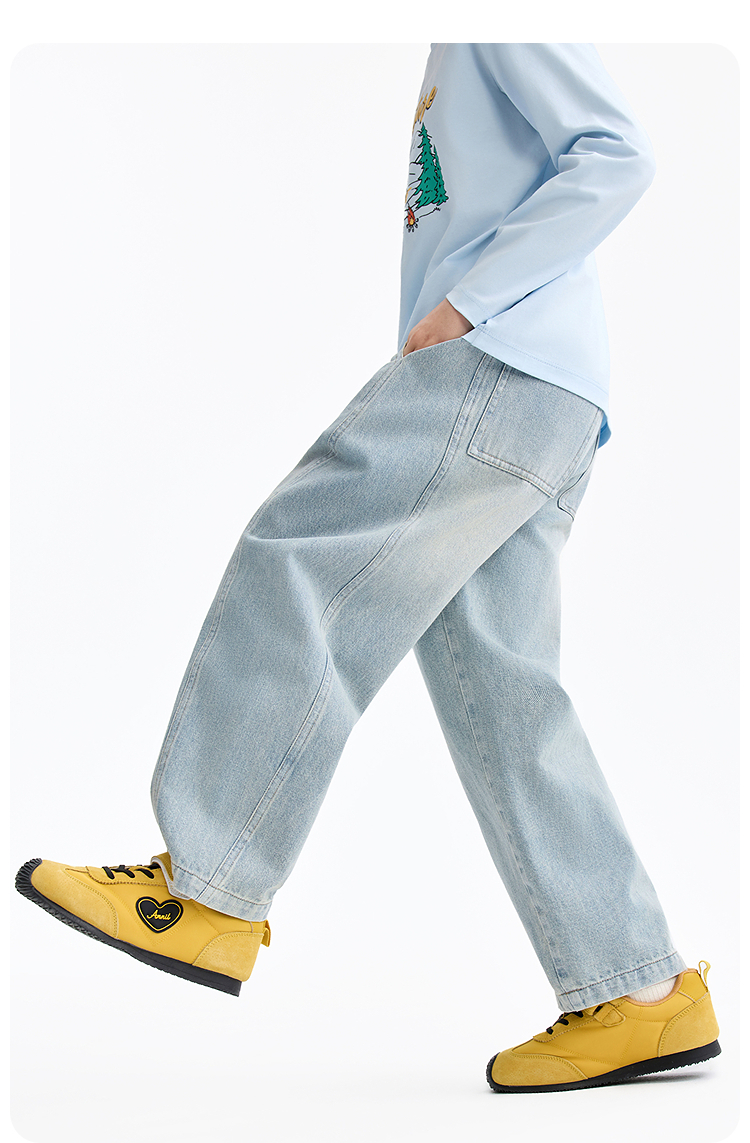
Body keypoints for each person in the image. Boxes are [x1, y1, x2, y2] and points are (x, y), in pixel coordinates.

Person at [15, 42, 720, 1093]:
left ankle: (206, 890)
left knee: (299, 556)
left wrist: (467, 304)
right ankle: (640, 989)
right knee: (501, 691)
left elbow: (619, 152)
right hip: (549, 392)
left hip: (503, 364)